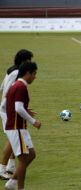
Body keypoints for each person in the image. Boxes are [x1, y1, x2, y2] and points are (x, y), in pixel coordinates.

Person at [4, 61, 41, 190]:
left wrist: (25, 109)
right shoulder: (21, 87)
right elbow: (18, 108)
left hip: (18, 127)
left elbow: (6, 106)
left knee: (31, 154)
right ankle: (20, 188)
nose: (35, 77)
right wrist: (33, 121)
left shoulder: (15, 85)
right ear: (27, 73)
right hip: (16, 128)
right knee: (24, 159)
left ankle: (12, 182)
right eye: (34, 74)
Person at [0, 49, 33, 180]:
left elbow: (1, 87)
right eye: (29, 60)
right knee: (13, 138)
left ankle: (10, 166)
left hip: (10, 108)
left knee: (16, 138)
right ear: (24, 61)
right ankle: (2, 168)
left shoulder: (11, 70)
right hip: (8, 110)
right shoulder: (15, 73)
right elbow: (8, 91)